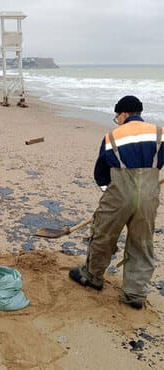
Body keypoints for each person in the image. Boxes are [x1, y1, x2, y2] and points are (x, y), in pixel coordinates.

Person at [69, 95, 163, 309]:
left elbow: (101, 173)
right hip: (149, 195)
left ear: (123, 114)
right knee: (142, 242)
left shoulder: (112, 136)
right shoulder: (159, 133)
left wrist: (108, 192)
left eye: (117, 117)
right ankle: (135, 294)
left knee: (103, 235)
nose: (117, 120)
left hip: (118, 194)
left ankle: (93, 277)